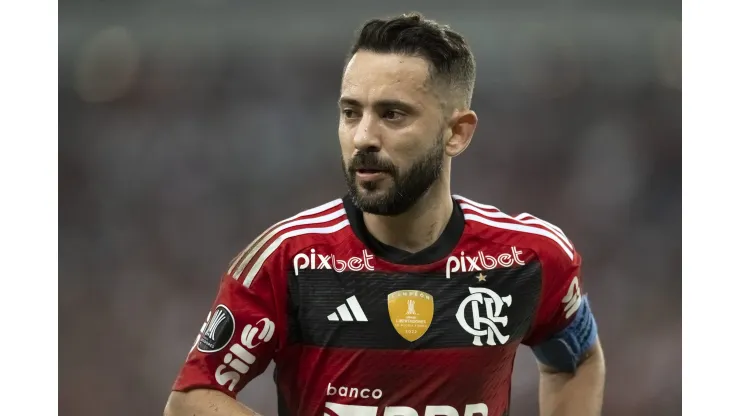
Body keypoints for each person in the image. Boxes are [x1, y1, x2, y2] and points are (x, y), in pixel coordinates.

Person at [164, 12, 605, 416]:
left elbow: (576, 359)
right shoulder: (289, 259)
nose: (363, 137)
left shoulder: (527, 259)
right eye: (351, 112)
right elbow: (192, 397)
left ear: (457, 133)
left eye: (393, 114)